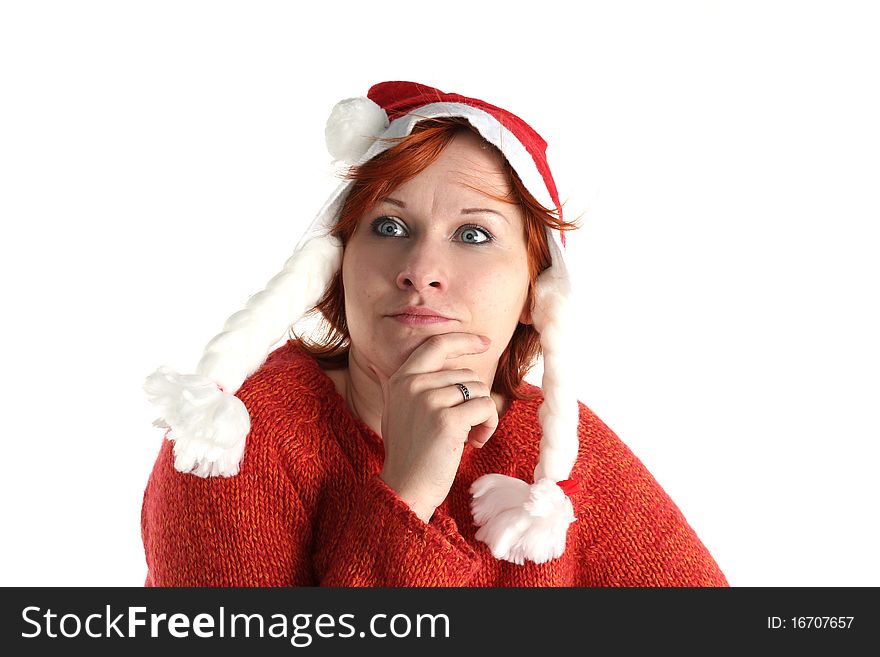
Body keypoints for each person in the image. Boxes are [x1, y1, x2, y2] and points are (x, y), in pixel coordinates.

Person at [141, 81, 728, 586]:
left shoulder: (557, 459)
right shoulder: (233, 448)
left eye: (473, 234)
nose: (420, 269)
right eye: (389, 225)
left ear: (534, 293)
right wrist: (407, 493)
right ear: (336, 263)